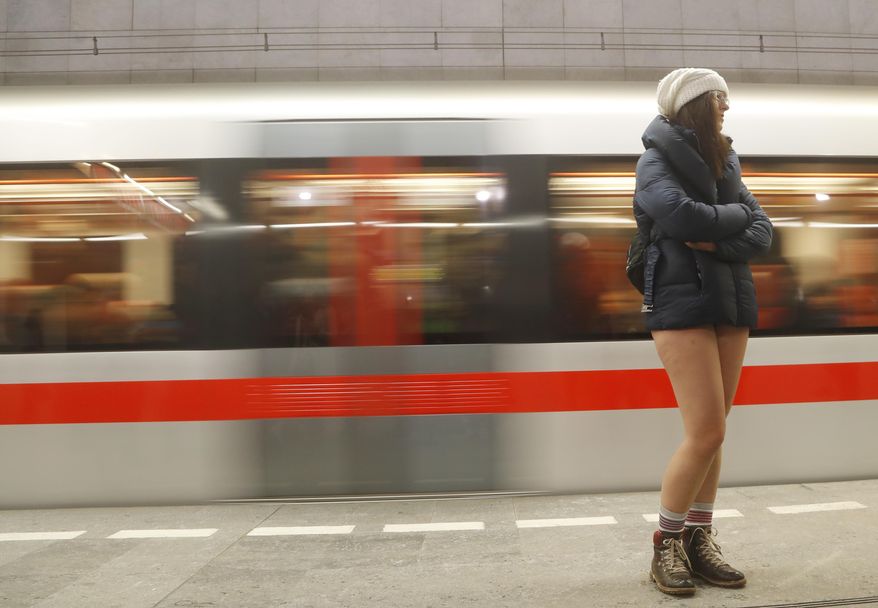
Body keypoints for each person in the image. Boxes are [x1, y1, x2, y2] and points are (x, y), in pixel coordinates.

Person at [633, 68, 773, 596]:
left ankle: (698, 537)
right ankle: (665, 543)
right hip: (679, 302)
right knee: (706, 432)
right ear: (696, 103)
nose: (727, 107)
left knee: (716, 433)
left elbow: (764, 231)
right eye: (720, 98)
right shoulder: (655, 162)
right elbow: (680, 217)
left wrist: (722, 241)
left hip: (731, 300)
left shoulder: (726, 160)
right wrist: (735, 217)